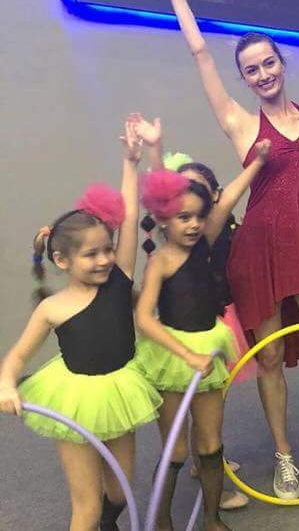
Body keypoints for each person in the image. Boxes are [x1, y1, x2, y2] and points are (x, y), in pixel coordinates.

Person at [127, 0, 299, 498]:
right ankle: (285, 457)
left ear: (282, 63)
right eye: (251, 69)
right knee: (270, 358)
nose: (262, 74)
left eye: (268, 63)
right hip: (259, 254)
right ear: (244, 78)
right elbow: (200, 54)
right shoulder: (241, 122)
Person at [0, 121, 161, 531]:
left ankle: (109, 521)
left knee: (120, 491)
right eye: (92, 254)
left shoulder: (120, 278)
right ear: (62, 261)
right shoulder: (52, 308)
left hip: (119, 391)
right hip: (73, 400)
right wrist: (6, 384)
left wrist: (130, 163)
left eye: (107, 249)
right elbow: (17, 356)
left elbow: (130, 215)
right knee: (85, 507)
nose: (105, 259)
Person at [135, 141, 270, 531]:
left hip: (207, 349)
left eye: (198, 217)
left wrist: (259, 162)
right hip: (172, 356)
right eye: (183, 218)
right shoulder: (159, 262)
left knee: (210, 444)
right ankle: (161, 520)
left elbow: (229, 198)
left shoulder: (205, 242)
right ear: (164, 219)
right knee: (177, 448)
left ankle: (212, 518)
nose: (193, 225)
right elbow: (144, 318)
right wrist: (186, 355)